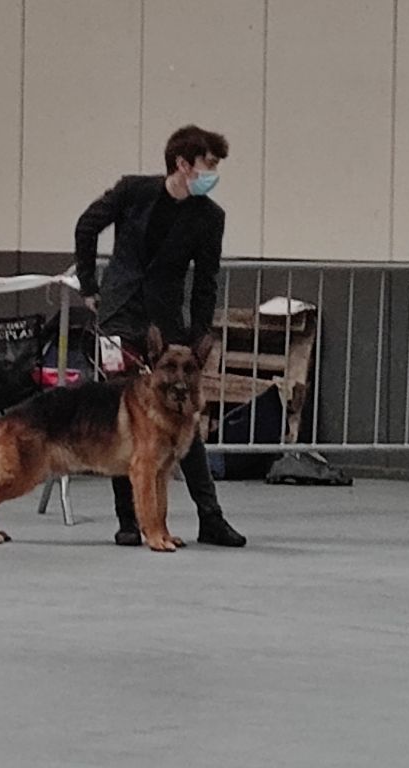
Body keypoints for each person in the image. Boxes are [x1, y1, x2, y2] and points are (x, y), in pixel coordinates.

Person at [75, 124, 246, 547]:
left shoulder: (210, 217)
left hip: (168, 326)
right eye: (208, 164)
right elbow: (86, 226)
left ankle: (210, 517)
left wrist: (200, 335)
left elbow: (206, 280)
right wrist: (89, 286)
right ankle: (128, 521)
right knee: (121, 421)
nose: (212, 174)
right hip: (119, 316)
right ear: (182, 164)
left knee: (185, 418)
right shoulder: (133, 191)